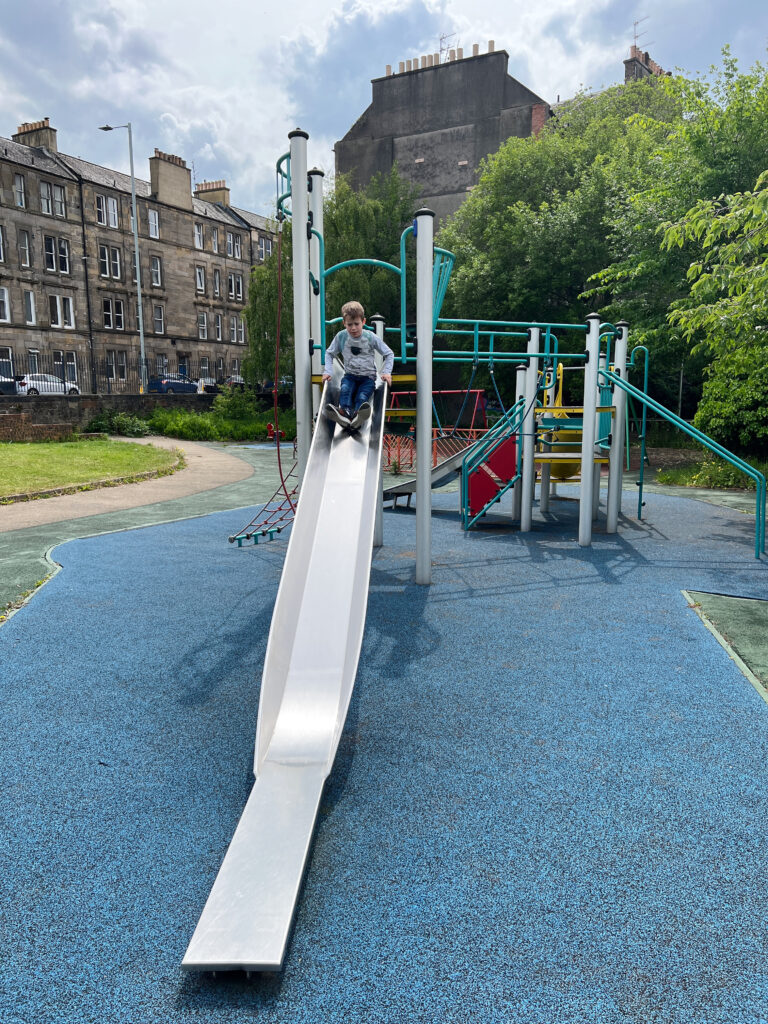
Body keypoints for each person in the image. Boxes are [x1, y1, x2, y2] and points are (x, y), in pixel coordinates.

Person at [323, 301, 394, 428]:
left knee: (362, 396)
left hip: (368, 377)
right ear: (344, 323)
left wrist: (387, 372)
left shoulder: (370, 337)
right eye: (349, 324)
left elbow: (389, 353)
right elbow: (329, 353)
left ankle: (357, 417)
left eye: (357, 324)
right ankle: (344, 413)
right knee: (345, 390)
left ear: (364, 321)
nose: (353, 328)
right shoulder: (342, 337)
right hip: (350, 375)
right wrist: (328, 371)